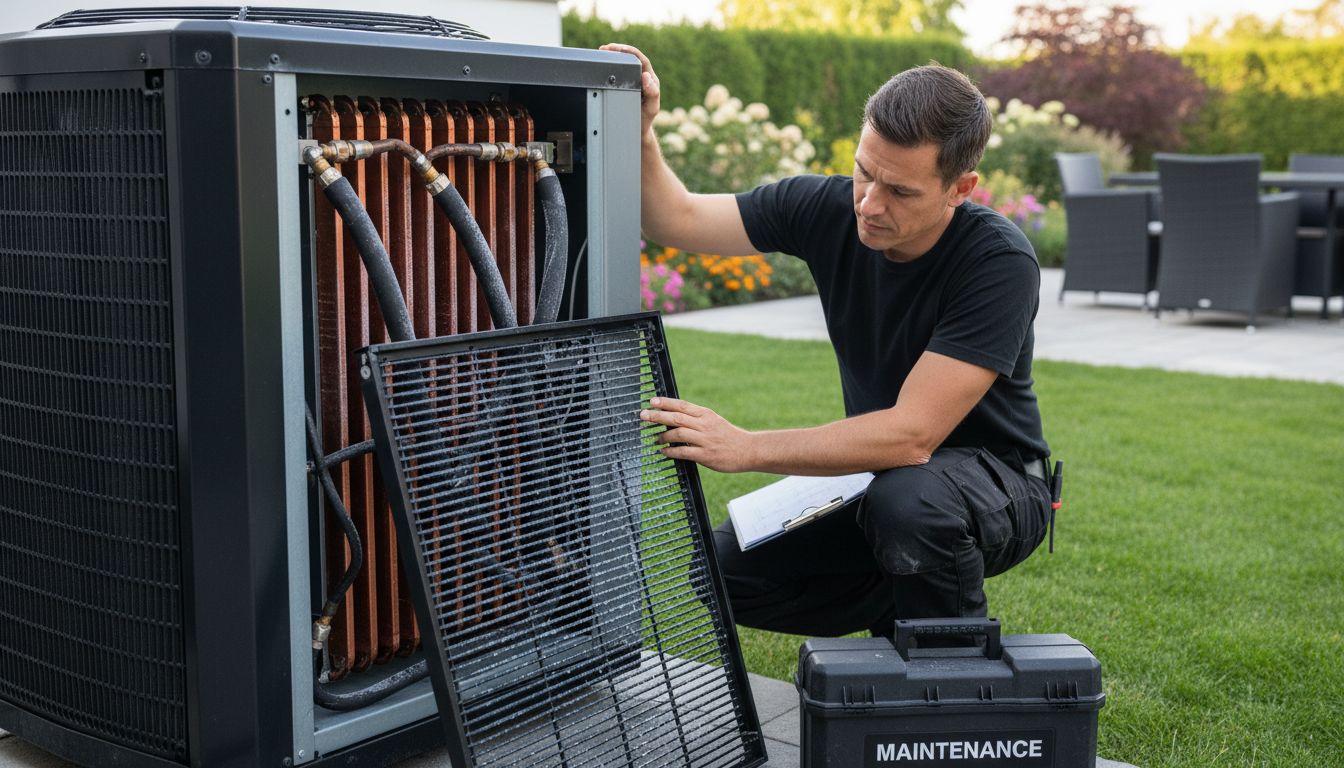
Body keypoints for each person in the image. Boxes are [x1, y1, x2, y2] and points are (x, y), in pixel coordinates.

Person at [601, 43, 1051, 639]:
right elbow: (674, 219)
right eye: (865, 172)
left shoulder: (996, 261)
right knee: (726, 570)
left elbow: (914, 436)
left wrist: (745, 447)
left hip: (999, 487)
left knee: (911, 505)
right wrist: (641, 132)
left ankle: (950, 681)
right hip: (884, 482)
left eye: (901, 191)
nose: (869, 203)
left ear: (960, 188)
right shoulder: (825, 207)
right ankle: (901, 602)